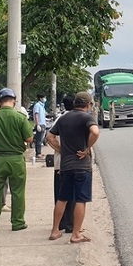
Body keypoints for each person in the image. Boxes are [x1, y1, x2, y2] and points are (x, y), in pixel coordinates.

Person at [47, 91, 99, 243]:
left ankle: (55, 230)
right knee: (80, 200)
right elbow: (95, 132)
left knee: (62, 198)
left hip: (65, 166)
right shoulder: (87, 118)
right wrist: (87, 148)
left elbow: (49, 136)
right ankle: (76, 233)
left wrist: (62, 149)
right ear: (88, 105)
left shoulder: (63, 118)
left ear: (75, 103)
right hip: (82, 166)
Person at [0, 88, 33, 232]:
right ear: (14, 101)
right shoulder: (20, 117)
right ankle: (18, 222)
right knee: (18, 191)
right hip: (16, 160)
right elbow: (29, 138)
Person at [52, 94, 75, 233]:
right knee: (71, 196)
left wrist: (60, 150)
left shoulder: (60, 118)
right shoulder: (73, 118)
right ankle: (69, 224)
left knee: (60, 194)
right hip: (69, 162)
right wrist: (64, 150)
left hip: (60, 162)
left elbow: (50, 137)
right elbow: (50, 136)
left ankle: (60, 223)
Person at [33, 93, 47, 160]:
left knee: (41, 139)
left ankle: (39, 152)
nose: (45, 99)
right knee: (38, 140)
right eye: (44, 97)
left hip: (43, 124)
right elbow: (36, 115)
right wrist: (37, 124)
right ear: (41, 98)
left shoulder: (42, 106)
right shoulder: (37, 105)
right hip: (40, 124)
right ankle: (38, 153)